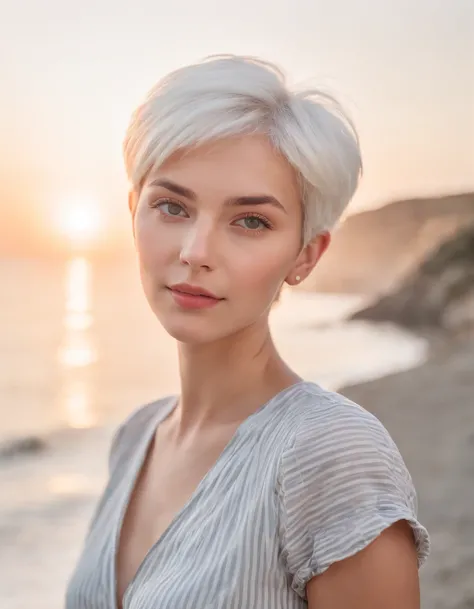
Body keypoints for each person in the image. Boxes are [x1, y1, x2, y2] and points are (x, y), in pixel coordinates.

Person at [66, 55, 430, 609]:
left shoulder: (330, 452)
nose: (196, 252)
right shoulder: (135, 438)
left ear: (305, 255)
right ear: (134, 211)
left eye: (250, 221)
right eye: (171, 206)